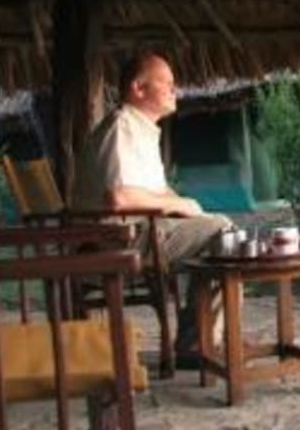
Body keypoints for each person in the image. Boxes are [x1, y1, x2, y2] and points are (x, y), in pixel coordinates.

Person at [75, 52, 232, 366]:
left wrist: (190, 209)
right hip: (117, 239)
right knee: (223, 234)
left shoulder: (141, 129)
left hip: (136, 232)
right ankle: (197, 342)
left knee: (217, 226)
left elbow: (154, 192)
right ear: (138, 88)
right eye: (167, 83)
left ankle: (204, 336)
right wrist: (180, 205)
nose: (175, 90)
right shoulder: (122, 126)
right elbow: (119, 198)